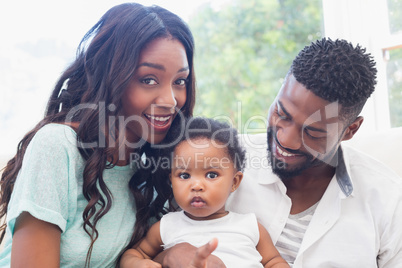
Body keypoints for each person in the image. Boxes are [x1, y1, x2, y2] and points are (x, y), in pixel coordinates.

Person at [160, 38, 402, 267]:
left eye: (313, 132)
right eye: (282, 113)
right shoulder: (219, 159)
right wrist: (170, 254)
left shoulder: (388, 200)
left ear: (350, 130)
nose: (285, 139)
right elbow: (157, 238)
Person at [0, 2, 196, 267]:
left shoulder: (155, 166)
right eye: (148, 79)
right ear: (111, 77)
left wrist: (167, 257)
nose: (171, 101)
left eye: (179, 81)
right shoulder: (58, 147)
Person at [119, 117, 290, 268]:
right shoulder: (166, 226)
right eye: (184, 175)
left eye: (211, 175)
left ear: (234, 182)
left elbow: (273, 261)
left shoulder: (250, 226)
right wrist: (139, 263)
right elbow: (133, 254)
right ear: (171, 180)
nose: (196, 185)